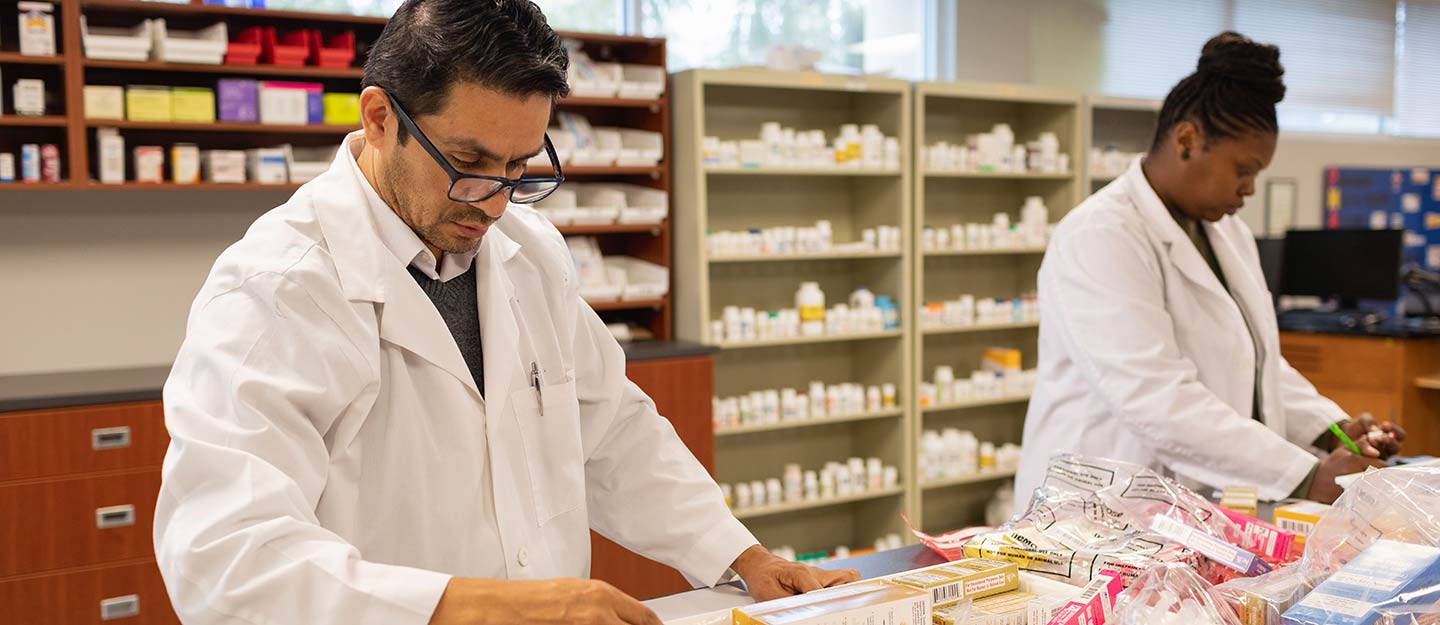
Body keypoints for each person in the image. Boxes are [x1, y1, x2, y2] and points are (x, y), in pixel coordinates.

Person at [153, 1, 857, 623]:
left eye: (519, 168)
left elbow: (610, 428)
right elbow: (226, 559)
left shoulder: (527, 249)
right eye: (469, 161)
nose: (492, 201)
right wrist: (484, 607)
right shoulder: (277, 290)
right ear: (378, 118)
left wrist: (740, 552)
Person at [1014, 32, 1405, 512]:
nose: (1250, 189)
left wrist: (1331, 429)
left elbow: (1256, 361)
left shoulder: (1226, 232)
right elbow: (1156, 399)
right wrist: (1307, 476)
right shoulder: (1100, 235)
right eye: (1244, 169)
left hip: (1187, 512)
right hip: (1096, 512)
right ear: (1187, 140)